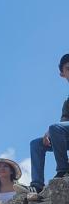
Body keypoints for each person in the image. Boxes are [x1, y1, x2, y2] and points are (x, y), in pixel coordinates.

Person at [29, 54, 69, 193]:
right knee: (36, 144)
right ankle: (37, 185)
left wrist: (54, 129)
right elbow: (63, 124)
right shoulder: (67, 102)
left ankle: (63, 170)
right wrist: (49, 132)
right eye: (68, 69)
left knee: (55, 128)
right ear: (62, 74)